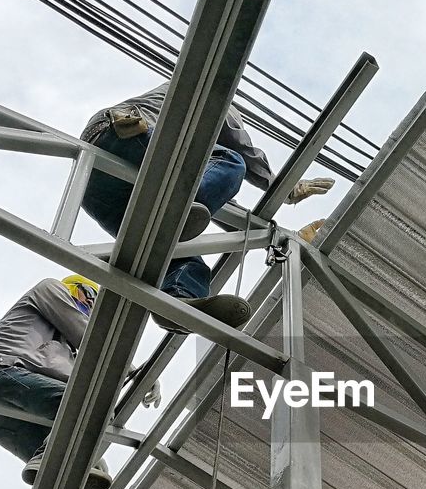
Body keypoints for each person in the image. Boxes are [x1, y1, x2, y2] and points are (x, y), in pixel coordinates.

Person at [80, 81, 333, 331]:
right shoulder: (213, 87)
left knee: (184, 259)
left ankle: (179, 301)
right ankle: (176, 213)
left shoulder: (186, 172)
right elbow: (240, 150)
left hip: (99, 191)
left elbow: (218, 207)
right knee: (230, 162)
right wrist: (284, 188)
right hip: (121, 135)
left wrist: (277, 237)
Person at [0, 275, 159, 489]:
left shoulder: (65, 353)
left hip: (4, 412)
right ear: (75, 290)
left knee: (82, 472)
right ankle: (48, 457)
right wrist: (133, 370)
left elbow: (92, 374)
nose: (90, 309)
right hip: (2, 374)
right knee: (90, 406)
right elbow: (90, 338)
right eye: (88, 300)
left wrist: (133, 378)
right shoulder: (49, 290)